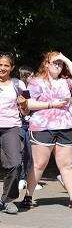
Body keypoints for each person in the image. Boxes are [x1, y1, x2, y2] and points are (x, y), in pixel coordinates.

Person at [21, 51, 72, 211]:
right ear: (46, 64)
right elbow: (28, 105)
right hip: (43, 127)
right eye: (55, 63)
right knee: (39, 164)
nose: (58, 66)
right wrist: (52, 104)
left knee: (66, 165)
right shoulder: (36, 82)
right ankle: (28, 197)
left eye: (60, 64)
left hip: (65, 127)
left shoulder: (65, 82)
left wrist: (64, 58)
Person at [0, 52, 26, 214]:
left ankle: (7, 200)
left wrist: (24, 104)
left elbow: (26, 110)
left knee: (15, 164)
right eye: (0, 64)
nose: (2, 68)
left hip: (11, 127)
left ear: (12, 68)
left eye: (6, 65)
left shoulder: (19, 85)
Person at [16, 66, 34, 194]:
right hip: (20, 123)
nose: (33, 78)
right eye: (31, 76)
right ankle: (21, 179)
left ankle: (29, 179)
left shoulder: (34, 90)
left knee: (31, 152)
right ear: (26, 76)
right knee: (21, 151)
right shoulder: (19, 89)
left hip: (32, 124)